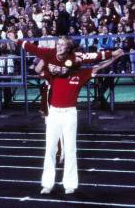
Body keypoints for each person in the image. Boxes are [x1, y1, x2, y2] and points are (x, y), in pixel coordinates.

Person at [39, 47, 123, 195]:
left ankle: (70, 184)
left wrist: (115, 58)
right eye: (75, 56)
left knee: (71, 150)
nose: (77, 59)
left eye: (80, 57)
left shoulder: (82, 74)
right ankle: (47, 183)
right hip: (54, 113)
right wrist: (48, 55)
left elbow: (99, 66)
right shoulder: (57, 70)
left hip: (70, 113)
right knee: (50, 149)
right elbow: (38, 68)